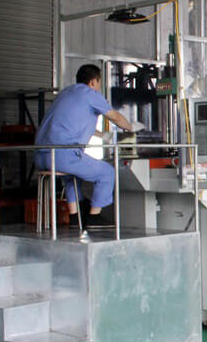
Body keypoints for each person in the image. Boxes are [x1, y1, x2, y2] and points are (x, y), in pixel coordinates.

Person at [35, 64, 139, 230]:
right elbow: (115, 117)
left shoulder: (66, 93)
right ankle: (94, 218)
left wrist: (104, 135)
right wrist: (131, 127)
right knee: (107, 172)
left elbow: (74, 125)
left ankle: (75, 217)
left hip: (42, 155)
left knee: (72, 176)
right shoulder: (89, 94)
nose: (98, 88)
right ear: (93, 82)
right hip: (63, 155)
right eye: (99, 83)